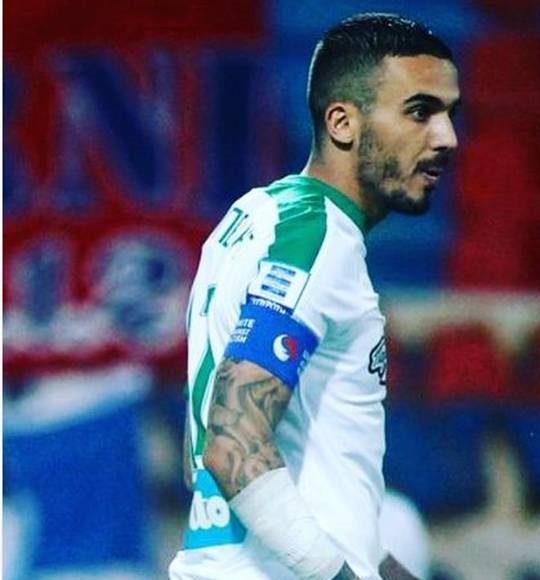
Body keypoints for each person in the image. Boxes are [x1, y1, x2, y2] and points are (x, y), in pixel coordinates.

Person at [169, 13, 459, 580]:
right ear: (342, 122)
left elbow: (199, 450)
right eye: (420, 111)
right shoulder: (316, 237)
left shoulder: (251, 219)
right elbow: (233, 442)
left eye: (450, 114)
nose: (446, 137)